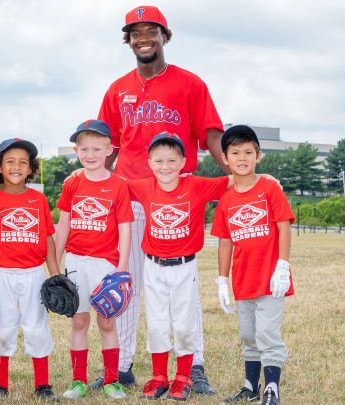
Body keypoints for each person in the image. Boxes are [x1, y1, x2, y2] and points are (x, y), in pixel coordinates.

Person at [94, 4, 225, 393]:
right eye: (135, 32)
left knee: (181, 285)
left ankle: (194, 365)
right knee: (127, 280)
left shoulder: (189, 83)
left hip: (176, 193)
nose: (143, 37)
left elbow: (212, 134)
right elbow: (106, 145)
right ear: (128, 40)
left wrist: (236, 169)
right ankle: (123, 365)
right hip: (130, 194)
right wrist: (94, 180)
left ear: (165, 37)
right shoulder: (118, 88)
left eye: (151, 30)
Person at [126, 133, 234, 401]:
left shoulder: (195, 185)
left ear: (184, 162)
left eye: (172, 160)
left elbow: (232, 180)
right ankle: (159, 376)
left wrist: (264, 178)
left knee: (184, 324)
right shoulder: (143, 187)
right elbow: (109, 183)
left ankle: (183, 377)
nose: (165, 166)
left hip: (184, 267)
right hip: (153, 266)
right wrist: (80, 173)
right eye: (159, 161)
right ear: (149, 163)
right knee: (157, 323)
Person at [211, 125, 294, 405]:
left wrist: (283, 266)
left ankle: (271, 388)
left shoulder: (269, 188)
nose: (242, 157)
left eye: (248, 152)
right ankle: (250, 387)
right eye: (235, 153)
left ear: (258, 155)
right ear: (225, 158)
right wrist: (222, 280)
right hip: (243, 281)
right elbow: (225, 242)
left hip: (271, 279)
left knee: (267, 333)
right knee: (248, 335)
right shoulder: (226, 200)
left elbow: (284, 227)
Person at [55, 120, 132, 400]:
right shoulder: (73, 183)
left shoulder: (118, 185)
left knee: (107, 322)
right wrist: (54, 265)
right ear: (76, 150)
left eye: (97, 149)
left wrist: (122, 269)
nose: (90, 154)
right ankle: (78, 380)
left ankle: (112, 380)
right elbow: (63, 225)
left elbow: (125, 228)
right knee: (78, 320)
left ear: (109, 150)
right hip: (76, 260)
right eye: (84, 148)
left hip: (106, 264)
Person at [0, 138, 60, 402]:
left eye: (23, 162)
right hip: (2, 274)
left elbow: (48, 238)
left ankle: (42, 384)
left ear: (30, 169)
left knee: (37, 327)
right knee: (3, 328)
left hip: (33, 273)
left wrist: (56, 274)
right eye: (10, 161)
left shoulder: (38, 200)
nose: (16, 166)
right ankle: (0, 384)